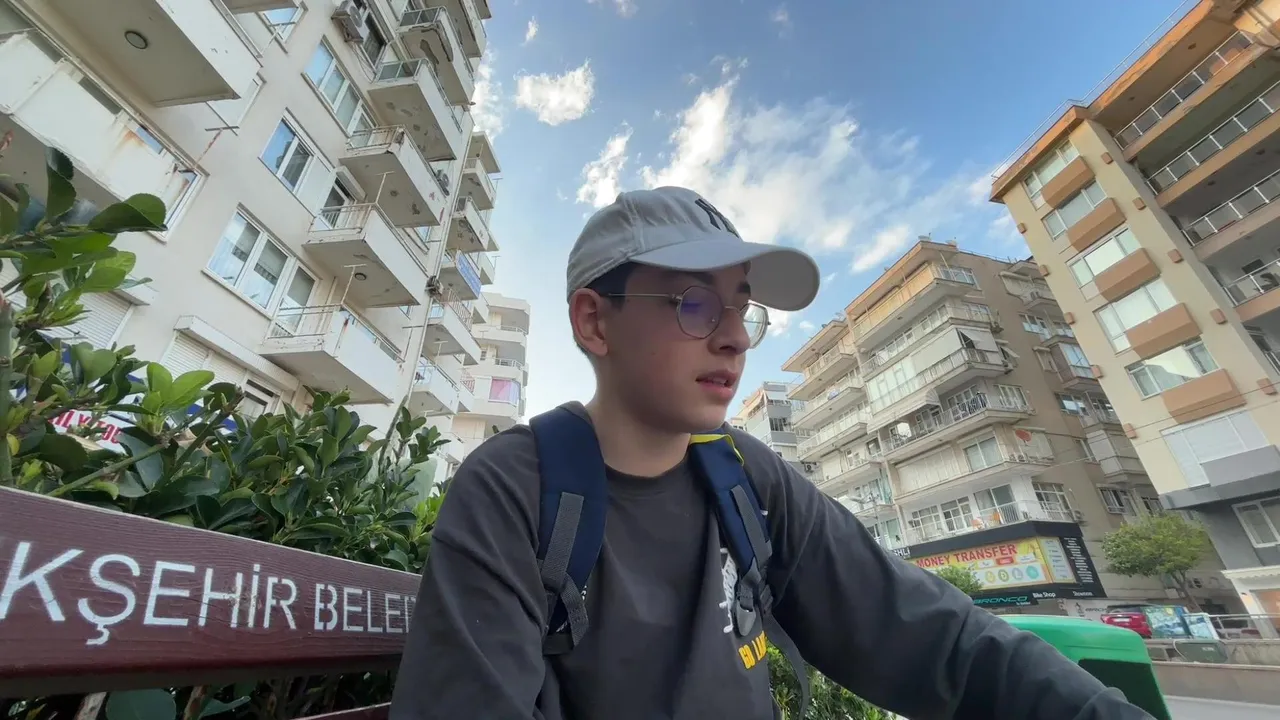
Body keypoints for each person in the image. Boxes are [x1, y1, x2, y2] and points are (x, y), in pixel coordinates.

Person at [390, 187, 1154, 719]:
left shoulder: (743, 476)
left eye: (741, 308)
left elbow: (933, 637)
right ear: (594, 322)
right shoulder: (514, 488)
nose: (733, 337)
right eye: (693, 303)